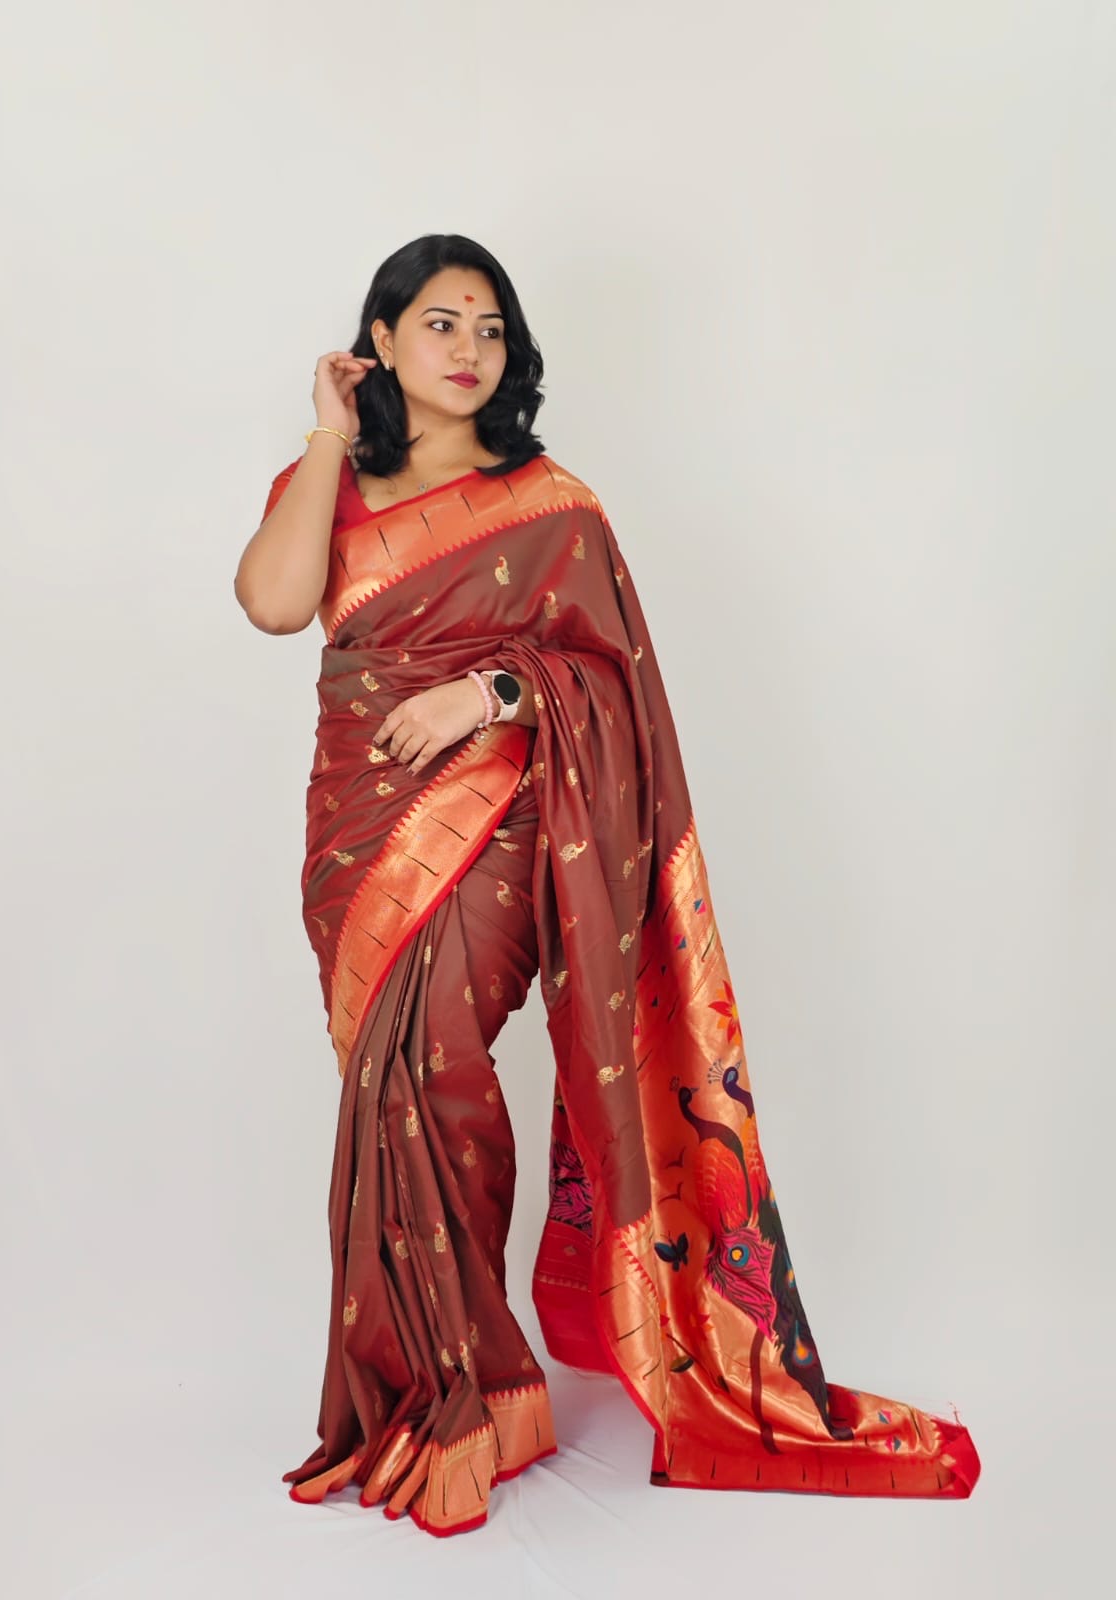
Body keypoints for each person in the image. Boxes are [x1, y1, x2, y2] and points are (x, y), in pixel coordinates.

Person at [233, 233, 981, 1538]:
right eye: (441, 323)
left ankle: (480, 1392)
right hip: (358, 829)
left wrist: (489, 693)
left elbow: (613, 686)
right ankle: (454, 1384)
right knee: (391, 1085)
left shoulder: (553, 506)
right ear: (382, 339)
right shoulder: (327, 485)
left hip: (501, 810)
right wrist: (323, 436)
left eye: (491, 329)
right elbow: (273, 602)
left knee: (436, 1057)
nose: (469, 350)